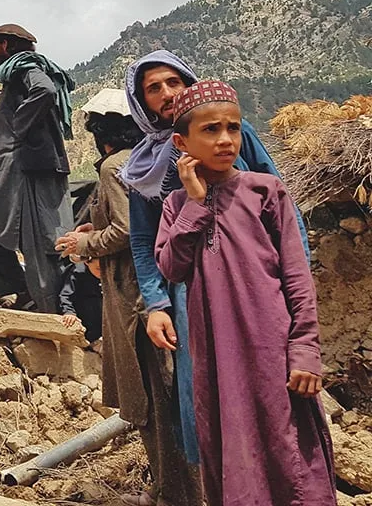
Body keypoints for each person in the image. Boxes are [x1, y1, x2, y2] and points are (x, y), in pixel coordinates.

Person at [122, 50, 309, 491]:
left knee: (275, 389)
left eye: (173, 81)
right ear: (142, 102)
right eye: (154, 88)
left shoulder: (236, 139)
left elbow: (284, 212)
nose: (168, 93)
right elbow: (143, 241)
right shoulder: (143, 168)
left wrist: (295, 278)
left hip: (258, 286)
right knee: (210, 396)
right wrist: (156, 303)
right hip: (192, 294)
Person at [156, 80, 335, 506]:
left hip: (272, 350)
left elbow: (296, 276)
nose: (225, 140)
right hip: (216, 358)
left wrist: (305, 348)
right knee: (233, 448)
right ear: (182, 142)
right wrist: (197, 205)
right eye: (211, 130)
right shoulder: (176, 206)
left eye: (232, 128)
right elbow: (172, 268)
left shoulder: (266, 192)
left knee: (290, 449)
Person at [55, 87, 196, 506]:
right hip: (155, 292)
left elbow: (125, 232)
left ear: (101, 131)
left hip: (134, 298)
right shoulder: (150, 162)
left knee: (154, 398)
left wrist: (84, 245)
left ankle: (172, 492)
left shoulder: (115, 165)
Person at [0, 23, 74, 313]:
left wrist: (17, 126)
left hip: (29, 172)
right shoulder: (16, 72)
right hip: (13, 173)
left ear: (7, 45)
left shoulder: (24, 67)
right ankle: (23, 293)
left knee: (39, 245)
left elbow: (45, 90)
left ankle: (51, 316)